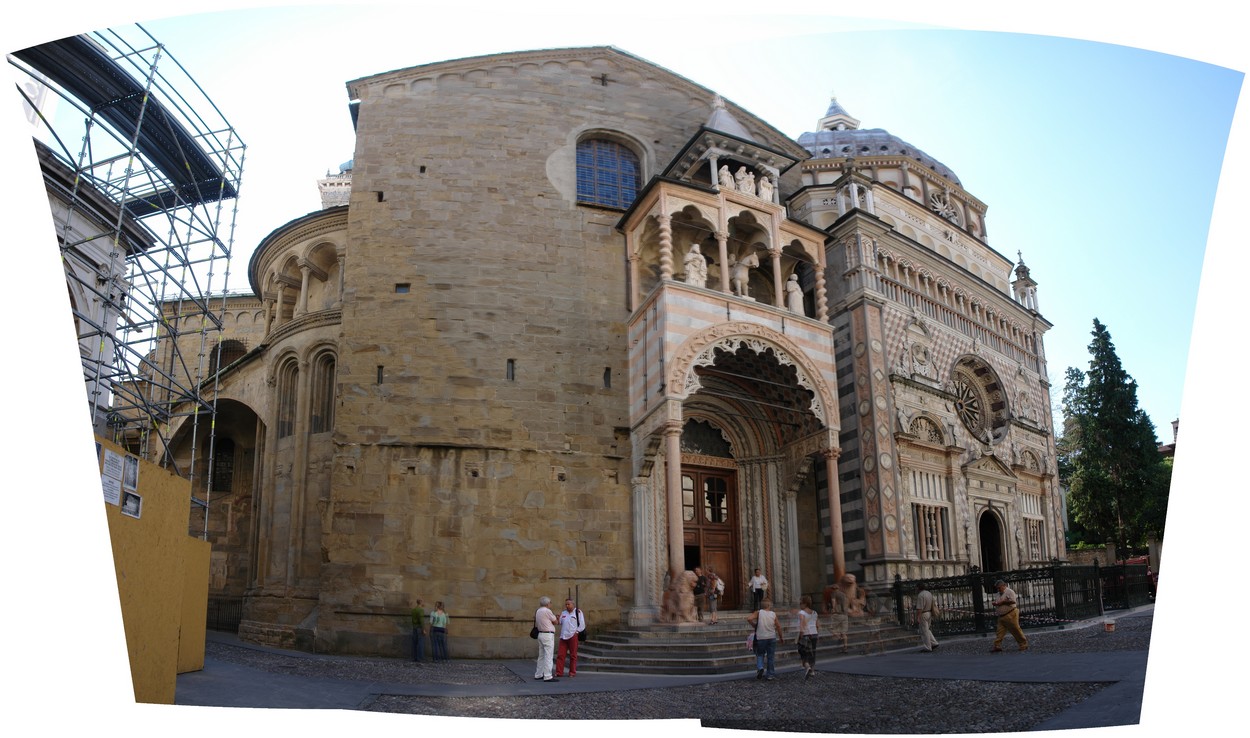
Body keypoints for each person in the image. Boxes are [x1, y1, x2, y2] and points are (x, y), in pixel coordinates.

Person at [746, 597, 784, 680]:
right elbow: (778, 626)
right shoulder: (773, 614)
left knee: (760, 654)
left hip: (761, 637)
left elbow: (749, 618)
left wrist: (754, 625)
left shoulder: (759, 612)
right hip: (771, 637)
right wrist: (781, 637)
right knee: (770, 656)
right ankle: (770, 674)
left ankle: (760, 667)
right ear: (769, 605)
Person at [990, 580, 1029, 652]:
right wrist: (996, 603)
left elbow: (1013, 601)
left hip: (1010, 614)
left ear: (1004, 586)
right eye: (997, 588)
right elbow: (999, 602)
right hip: (1001, 616)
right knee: (999, 631)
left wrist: (1003, 602)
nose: (998, 589)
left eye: (999, 587)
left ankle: (1023, 644)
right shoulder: (998, 594)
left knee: (1015, 629)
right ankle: (997, 646)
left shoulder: (1010, 591)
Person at [554, 598, 586, 677]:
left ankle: (572, 672)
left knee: (573, 655)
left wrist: (577, 632)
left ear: (573, 604)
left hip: (572, 635)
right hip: (563, 636)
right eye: (566, 604)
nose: (567, 606)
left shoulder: (578, 612)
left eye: (568, 604)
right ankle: (559, 672)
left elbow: (582, 624)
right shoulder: (564, 612)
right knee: (560, 655)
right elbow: (560, 622)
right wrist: (558, 618)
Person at [533, 596, 559, 681]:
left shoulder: (538, 611)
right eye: (550, 603)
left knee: (541, 655)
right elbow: (555, 621)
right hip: (547, 634)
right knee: (548, 655)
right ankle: (548, 675)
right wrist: (557, 617)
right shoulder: (547, 611)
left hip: (540, 634)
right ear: (548, 603)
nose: (551, 604)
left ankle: (538, 674)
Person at [796, 594, 820, 679]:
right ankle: (812, 671)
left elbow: (802, 623)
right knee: (812, 653)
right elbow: (817, 625)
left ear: (805, 603)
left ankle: (807, 667)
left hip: (805, 634)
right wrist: (818, 635)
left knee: (803, 652)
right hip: (814, 634)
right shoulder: (815, 613)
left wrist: (800, 635)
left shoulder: (801, 613)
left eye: (800, 603)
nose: (799, 604)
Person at [914, 582, 940, 653]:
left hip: (923, 614)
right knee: (927, 629)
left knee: (924, 631)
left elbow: (920, 608)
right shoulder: (929, 593)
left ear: (918, 588)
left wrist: (918, 617)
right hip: (929, 612)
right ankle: (934, 643)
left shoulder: (920, 595)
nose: (915, 589)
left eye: (916, 587)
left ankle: (928, 647)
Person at [827, 585, 849, 653]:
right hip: (845, 615)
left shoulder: (834, 594)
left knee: (830, 628)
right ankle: (845, 647)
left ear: (833, 589)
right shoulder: (843, 594)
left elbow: (833, 602)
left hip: (837, 614)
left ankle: (839, 638)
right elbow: (847, 603)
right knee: (844, 632)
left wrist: (833, 609)